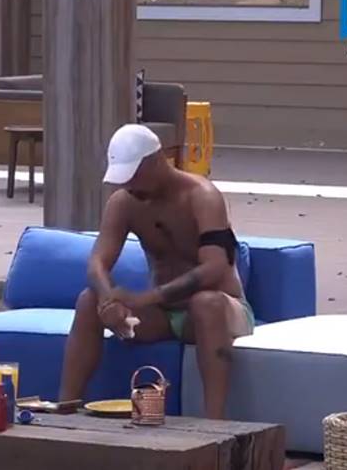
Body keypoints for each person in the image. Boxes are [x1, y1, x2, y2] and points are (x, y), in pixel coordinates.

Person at [58, 124, 255, 419]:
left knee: (206, 303)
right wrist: (108, 300)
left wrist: (147, 298)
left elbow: (215, 267)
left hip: (223, 311)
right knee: (88, 300)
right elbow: (97, 262)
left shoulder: (202, 195)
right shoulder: (124, 202)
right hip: (165, 316)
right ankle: (65, 409)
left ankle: (215, 423)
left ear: (156, 161)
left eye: (134, 176)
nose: (130, 186)